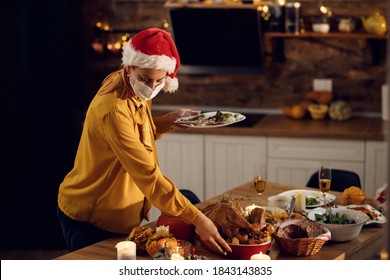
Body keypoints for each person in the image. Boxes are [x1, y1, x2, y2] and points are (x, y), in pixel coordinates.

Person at [57, 27, 231, 255]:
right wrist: (196, 218)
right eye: (146, 79)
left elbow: (136, 134)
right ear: (129, 67)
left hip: (119, 215)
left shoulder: (131, 86)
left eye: (159, 81)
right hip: (92, 217)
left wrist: (169, 120)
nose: (151, 87)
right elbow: (147, 175)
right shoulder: (113, 109)